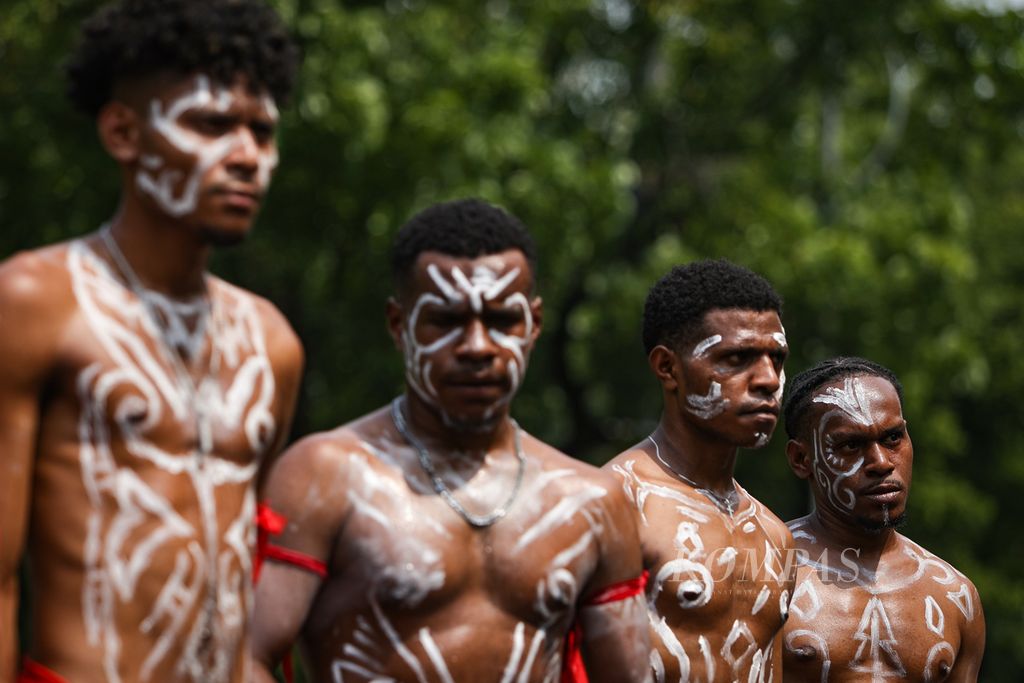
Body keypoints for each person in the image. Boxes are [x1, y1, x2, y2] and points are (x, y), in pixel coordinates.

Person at [0, 1, 303, 680]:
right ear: (123, 132)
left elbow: (253, 587)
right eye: (212, 125)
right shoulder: (34, 301)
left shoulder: (271, 342)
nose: (247, 157)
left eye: (262, 131)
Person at [251, 198, 650, 682]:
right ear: (400, 326)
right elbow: (242, 658)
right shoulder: (326, 475)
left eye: (502, 320)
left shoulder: (593, 502)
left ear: (535, 325)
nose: (477, 347)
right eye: (446, 321)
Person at [604, 259, 796, 682]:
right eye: (737, 357)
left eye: (776, 359)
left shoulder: (775, 536)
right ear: (667, 367)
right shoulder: (615, 504)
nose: (768, 379)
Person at [781, 357, 985, 681]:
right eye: (851, 445)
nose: (880, 462)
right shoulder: (764, 574)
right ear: (801, 459)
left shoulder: (955, 598)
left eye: (892, 439)